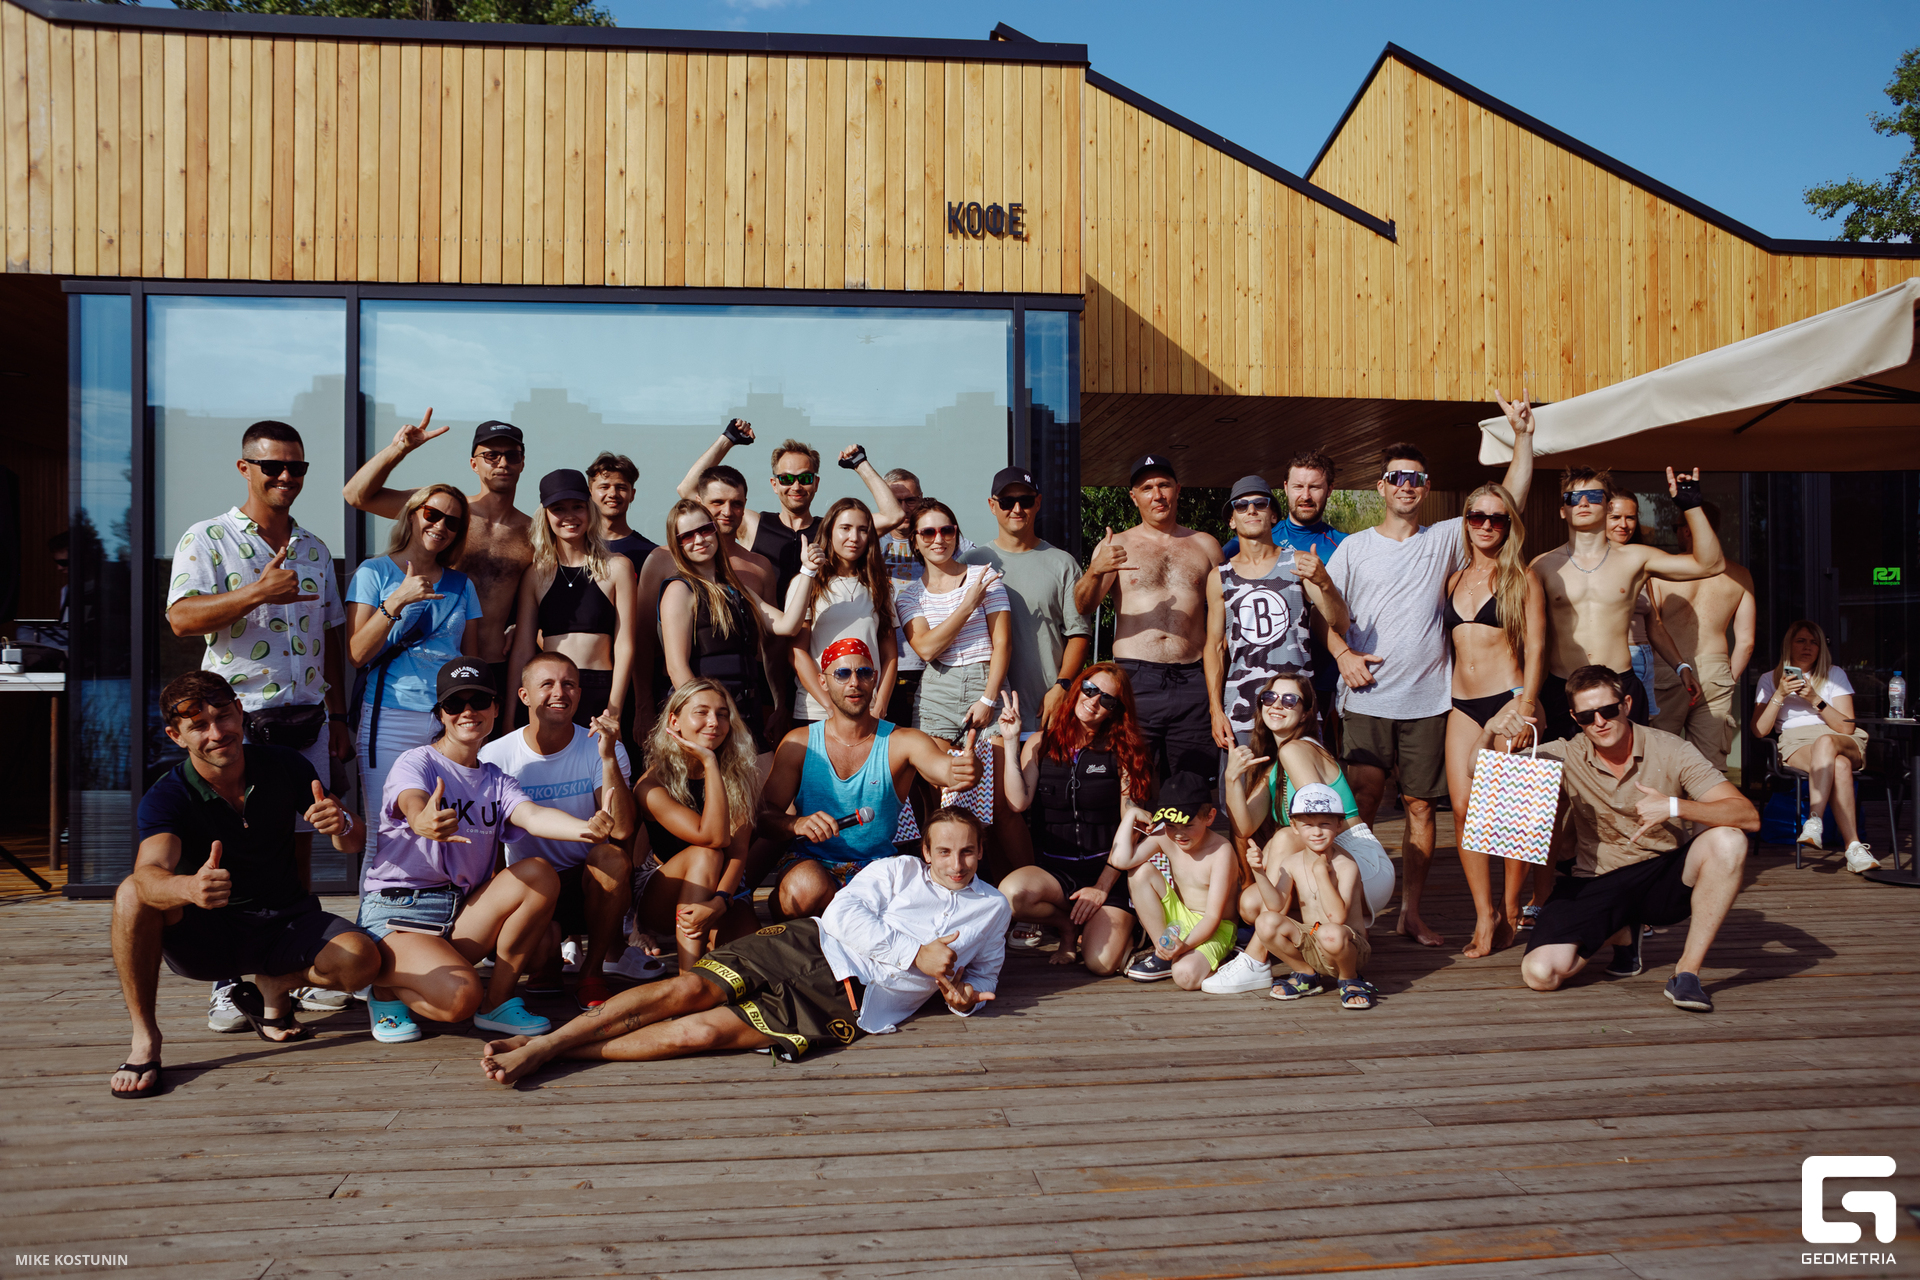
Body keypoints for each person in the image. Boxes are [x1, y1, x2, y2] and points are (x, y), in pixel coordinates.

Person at [481, 805, 1008, 1083]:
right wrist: (915, 955)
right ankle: (546, 1046)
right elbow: (843, 914)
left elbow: (982, 978)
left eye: (967, 853)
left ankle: (548, 1051)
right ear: (926, 850)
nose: (956, 864)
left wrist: (963, 1001)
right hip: (810, 943)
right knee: (686, 992)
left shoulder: (993, 908)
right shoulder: (897, 870)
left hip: (853, 1002)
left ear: (981, 851)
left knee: (699, 1032)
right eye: (944, 852)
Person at [163, 419, 354, 1033]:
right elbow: (181, 619)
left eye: (297, 467)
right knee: (229, 848)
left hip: (307, 719)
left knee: (296, 844)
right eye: (273, 466)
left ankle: (287, 966)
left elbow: (330, 636)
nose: (285, 476)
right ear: (245, 468)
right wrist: (257, 592)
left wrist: (338, 716)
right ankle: (228, 981)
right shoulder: (208, 537)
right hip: (236, 722)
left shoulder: (314, 548)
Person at [1323, 399, 1536, 948]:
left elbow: (1506, 501)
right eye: (1397, 477)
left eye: (1415, 479)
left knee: (1422, 808)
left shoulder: (1445, 539)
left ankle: (1411, 913)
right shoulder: (1353, 548)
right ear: (1381, 486)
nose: (1406, 486)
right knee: (1363, 803)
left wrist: (1522, 438)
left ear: (1426, 487)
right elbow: (1324, 615)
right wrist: (1342, 654)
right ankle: (1354, 907)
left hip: (1430, 701)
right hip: (1368, 697)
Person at [111, 671, 379, 1098]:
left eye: (223, 716)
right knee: (130, 894)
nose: (217, 733)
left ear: (240, 712)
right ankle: (145, 1038)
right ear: (176, 736)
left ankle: (276, 983)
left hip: (285, 921)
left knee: (362, 961)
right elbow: (148, 875)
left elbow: (353, 842)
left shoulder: (285, 764)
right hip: (210, 934)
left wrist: (342, 823)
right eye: (199, 726)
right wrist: (189, 888)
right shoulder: (168, 795)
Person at [357, 659, 617, 1046]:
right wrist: (422, 819)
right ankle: (384, 988)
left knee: (538, 873)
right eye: (454, 704)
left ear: (495, 708)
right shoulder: (417, 761)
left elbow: (533, 816)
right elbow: (412, 800)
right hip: (401, 912)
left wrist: (587, 828)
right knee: (460, 998)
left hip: (459, 912)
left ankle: (496, 1003)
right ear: (440, 714)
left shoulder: (496, 778)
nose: (468, 712)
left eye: (478, 701)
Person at [1477, 666, 1758, 1013]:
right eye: (1586, 716)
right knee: (1540, 974)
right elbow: (1480, 773)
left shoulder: (1671, 749)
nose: (1599, 722)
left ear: (1626, 704)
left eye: (1608, 710)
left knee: (1729, 840)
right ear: (1575, 718)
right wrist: (1488, 732)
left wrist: (1674, 806)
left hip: (1659, 877)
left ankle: (1687, 972)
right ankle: (1623, 932)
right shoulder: (1566, 752)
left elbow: (1747, 815)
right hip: (1596, 881)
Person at [757, 638, 984, 918]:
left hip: (878, 869)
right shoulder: (799, 743)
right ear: (823, 681)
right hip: (812, 863)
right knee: (804, 887)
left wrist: (966, 768)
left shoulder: (903, 740)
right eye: (842, 674)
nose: (854, 682)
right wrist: (796, 824)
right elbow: (764, 816)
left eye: (863, 673)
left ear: (875, 679)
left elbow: (946, 769)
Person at [1211, 672, 1394, 994]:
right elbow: (1244, 826)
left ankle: (1255, 959)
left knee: (1286, 837)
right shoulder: (1274, 764)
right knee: (1252, 903)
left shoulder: (1297, 750)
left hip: (1357, 859)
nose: (1276, 705)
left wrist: (1278, 849)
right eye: (1269, 698)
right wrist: (1231, 779)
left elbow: (1320, 822)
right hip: (1325, 859)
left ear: (1306, 712)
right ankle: (1316, 959)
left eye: (1289, 699)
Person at [477, 653, 636, 1010]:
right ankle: (546, 964)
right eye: (546, 684)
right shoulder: (495, 754)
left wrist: (608, 757)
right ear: (524, 695)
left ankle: (592, 972)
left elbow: (623, 828)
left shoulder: (601, 745)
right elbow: (488, 842)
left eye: (568, 684)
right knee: (539, 949)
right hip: (531, 887)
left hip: (588, 883)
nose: (559, 692)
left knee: (612, 858)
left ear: (579, 694)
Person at [343, 412, 534, 706]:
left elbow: (547, 592)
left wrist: (528, 629)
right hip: (435, 669)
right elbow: (356, 495)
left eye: (512, 455)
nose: (502, 462)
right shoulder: (447, 514)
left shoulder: (533, 532)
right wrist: (398, 450)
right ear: (474, 464)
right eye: (491, 455)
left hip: (499, 665)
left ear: (522, 463)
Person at [1531, 466, 1725, 742]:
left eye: (1593, 496)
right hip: (1563, 688)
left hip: (1619, 685)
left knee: (1629, 767)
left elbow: (1711, 564)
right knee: (1562, 768)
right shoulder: (1542, 566)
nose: (1583, 503)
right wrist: (1528, 698)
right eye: (1573, 498)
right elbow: (1531, 640)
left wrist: (1691, 507)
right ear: (1563, 510)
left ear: (1608, 505)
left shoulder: (1634, 558)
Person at [344, 483, 482, 861]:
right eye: (432, 514)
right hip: (389, 716)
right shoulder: (374, 571)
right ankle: (376, 902)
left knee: (449, 829)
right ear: (412, 514)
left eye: (452, 522)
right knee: (385, 833)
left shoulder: (462, 584)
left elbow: (469, 662)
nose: (440, 526)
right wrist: (397, 601)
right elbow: (356, 653)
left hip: (448, 720)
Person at [1075, 455, 1226, 793]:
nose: (1157, 495)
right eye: (1147, 488)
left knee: (1193, 786)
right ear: (1134, 497)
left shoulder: (1205, 545)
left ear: (1178, 490)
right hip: (1135, 679)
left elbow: (1227, 613)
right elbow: (1084, 606)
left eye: (1164, 485)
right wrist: (1096, 570)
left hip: (1193, 679)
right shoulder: (1116, 546)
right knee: (1133, 781)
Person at [1441, 482, 1548, 957]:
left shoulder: (1523, 578)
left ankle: (1509, 908)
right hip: (1462, 705)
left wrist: (1526, 708)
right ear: (1465, 522)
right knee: (1463, 810)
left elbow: (1538, 647)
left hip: (1509, 699)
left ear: (1509, 526)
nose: (1486, 525)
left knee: (1507, 817)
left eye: (1497, 518)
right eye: (1477, 516)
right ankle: (1484, 913)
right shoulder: (1453, 579)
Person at [967, 465, 1091, 873]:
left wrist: (1062, 685)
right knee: (994, 813)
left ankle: (1047, 890)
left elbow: (1078, 633)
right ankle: (1010, 892)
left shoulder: (1061, 563)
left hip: (1045, 708)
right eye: (1007, 501)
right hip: (990, 714)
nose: (1016, 508)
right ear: (993, 506)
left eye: (1024, 500)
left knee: (1047, 810)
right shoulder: (973, 562)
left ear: (1037, 504)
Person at [997, 669, 1153, 974]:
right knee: (1011, 895)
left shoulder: (1124, 751)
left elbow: (1132, 826)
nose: (1093, 701)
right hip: (1056, 872)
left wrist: (1101, 887)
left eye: (1106, 699)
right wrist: (1012, 741)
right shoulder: (1041, 743)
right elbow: (1017, 802)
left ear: (1116, 710)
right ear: (1078, 688)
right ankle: (1066, 926)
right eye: (1090, 689)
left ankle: (1128, 930)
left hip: (1107, 871)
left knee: (1100, 963)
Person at [628, 678, 767, 979]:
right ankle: (687, 981)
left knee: (755, 963)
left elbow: (738, 852)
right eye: (701, 712)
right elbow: (712, 837)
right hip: (662, 893)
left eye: (722, 714)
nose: (713, 722)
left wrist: (720, 901)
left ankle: (710, 951)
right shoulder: (652, 784)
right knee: (706, 853)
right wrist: (709, 762)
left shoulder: (740, 774)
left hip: (725, 888)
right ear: (674, 722)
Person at [676, 421, 907, 599]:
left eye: (805, 478)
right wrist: (727, 439)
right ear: (774, 484)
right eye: (786, 479)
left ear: (816, 483)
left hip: (816, 636)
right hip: (767, 632)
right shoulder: (753, 524)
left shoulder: (832, 529)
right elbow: (688, 490)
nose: (796, 486)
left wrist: (860, 463)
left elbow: (893, 515)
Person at [656, 498, 814, 754]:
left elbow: (788, 625)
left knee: (766, 778)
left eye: (705, 529)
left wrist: (808, 571)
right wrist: (711, 717)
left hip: (746, 711)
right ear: (678, 544)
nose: (699, 539)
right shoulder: (679, 590)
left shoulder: (738, 589)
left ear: (715, 530)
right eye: (688, 535)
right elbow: (677, 668)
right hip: (710, 721)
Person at [1205, 473, 1347, 752]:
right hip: (1242, 711)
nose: (1251, 510)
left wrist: (1325, 583)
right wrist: (1215, 710)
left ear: (1273, 516)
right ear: (1232, 519)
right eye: (1241, 505)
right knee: (1241, 782)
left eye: (1260, 503)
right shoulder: (1219, 577)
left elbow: (1339, 622)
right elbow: (1214, 646)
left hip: (1297, 709)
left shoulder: (1299, 563)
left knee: (1301, 782)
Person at [506, 469, 639, 733]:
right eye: (558, 508)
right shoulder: (535, 575)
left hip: (600, 692)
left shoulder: (618, 567)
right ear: (545, 515)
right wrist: (509, 717)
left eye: (577, 506)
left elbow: (625, 645)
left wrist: (613, 711)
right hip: (547, 693)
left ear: (590, 509)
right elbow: (522, 651)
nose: (569, 516)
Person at [1751, 620, 1876, 873]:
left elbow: (1846, 727)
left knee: (1826, 742)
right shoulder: (1769, 679)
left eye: (1814, 642)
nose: (1808, 647)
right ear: (1789, 644)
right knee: (1839, 765)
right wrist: (1779, 694)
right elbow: (1759, 730)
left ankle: (1814, 821)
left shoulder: (1834, 674)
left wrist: (1814, 699)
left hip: (1838, 736)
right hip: (1798, 741)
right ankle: (1854, 847)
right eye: (1801, 641)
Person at [1244, 782, 1379, 1010]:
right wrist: (1258, 871)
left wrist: (1321, 874)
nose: (1317, 832)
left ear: (1339, 824)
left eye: (1325, 824)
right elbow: (1275, 905)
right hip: (1313, 939)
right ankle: (1306, 975)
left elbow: (1337, 918)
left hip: (1347, 946)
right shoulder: (1292, 862)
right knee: (1265, 922)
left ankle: (1350, 978)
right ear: (1294, 827)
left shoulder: (1346, 865)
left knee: (1330, 932)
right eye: (1308, 825)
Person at [1652, 503, 1757, 773]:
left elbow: (1653, 627)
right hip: (1717, 670)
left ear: (1688, 530)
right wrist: (1728, 679)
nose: (1675, 533)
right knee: (1709, 768)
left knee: (1658, 759)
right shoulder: (1740, 575)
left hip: (1669, 667)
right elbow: (1746, 642)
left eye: (1675, 527)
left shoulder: (1662, 571)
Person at [896, 499, 1010, 741]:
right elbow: (927, 649)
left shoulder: (984, 577)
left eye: (946, 530)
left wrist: (988, 699)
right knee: (938, 767)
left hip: (986, 682)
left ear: (956, 534)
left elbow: (1003, 643)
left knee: (995, 766)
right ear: (915, 540)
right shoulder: (909, 597)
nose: (939, 539)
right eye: (928, 533)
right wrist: (967, 606)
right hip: (937, 691)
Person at [1111, 771, 1237, 988]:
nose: (1179, 834)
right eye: (1171, 826)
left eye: (1188, 825)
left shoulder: (1221, 852)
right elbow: (1121, 860)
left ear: (1209, 817)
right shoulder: (1165, 836)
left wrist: (1185, 946)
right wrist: (1131, 816)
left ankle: (1221, 958)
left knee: (1185, 976)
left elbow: (1213, 917)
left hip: (1215, 927)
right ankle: (1164, 952)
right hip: (1180, 917)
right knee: (1139, 872)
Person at [879, 468, 976, 725]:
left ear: (921, 499)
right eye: (895, 501)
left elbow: (982, 563)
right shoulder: (871, 543)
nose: (903, 509)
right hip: (886, 666)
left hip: (937, 665)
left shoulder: (944, 538)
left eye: (910, 500)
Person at [791, 497, 898, 726]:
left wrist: (880, 704)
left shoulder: (880, 586)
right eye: (845, 528)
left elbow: (890, 654)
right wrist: (829, 707)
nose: (854, 537)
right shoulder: (806, 582)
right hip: (817, 710)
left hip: (867, 710)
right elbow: (797, 653)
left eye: (862, 530)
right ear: (829, 531)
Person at [1607, 495, 1666, 723]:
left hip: (1645, 658)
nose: (1623, 524)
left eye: (1630, 517)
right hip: (1617, 660)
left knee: (1643, 732)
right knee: (1615, 728)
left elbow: (1655, 624)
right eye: (1615, 517)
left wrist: (1681, 666)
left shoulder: (1640, 560)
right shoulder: (1594, 563)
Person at [586, 451, 659, 568]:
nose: (613, 494)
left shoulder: (651, 555)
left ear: (632, 495)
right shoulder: (574, 548)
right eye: (604, 487)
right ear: (590, 493)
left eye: (621, 488)